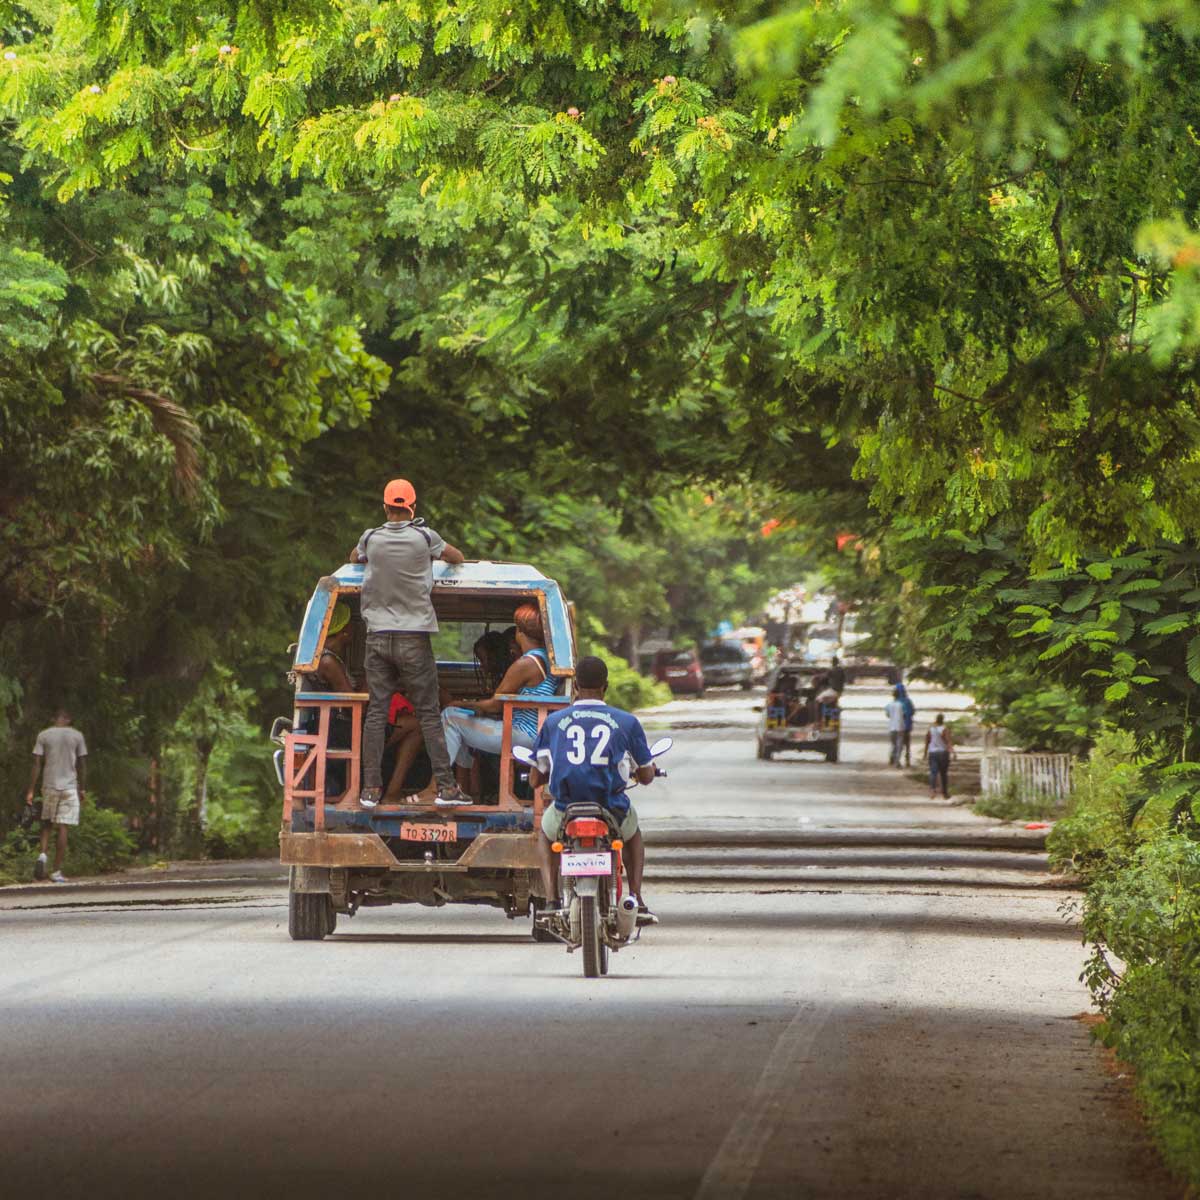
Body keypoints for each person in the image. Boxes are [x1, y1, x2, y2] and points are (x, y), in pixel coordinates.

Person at [351, 478, 470, 808]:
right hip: (413, 639)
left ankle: (371, 790)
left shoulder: (371, 538)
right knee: (429, 714)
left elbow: (354, 556)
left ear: (386, 507)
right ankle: (446, 789)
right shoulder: (424, 537)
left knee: (376, 713)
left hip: (376, 639)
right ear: (413, 507)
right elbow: (457, 557)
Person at [529, 655, 658, 922]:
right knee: (633, 836)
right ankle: (635, 897)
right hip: (611, 809)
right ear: (606, 686)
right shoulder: (626, 722)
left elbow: (534, 779)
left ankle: (552, 898)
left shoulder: (553, 723)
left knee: (544, 834)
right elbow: (645, 776)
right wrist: (645, 772)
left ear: (575, 686)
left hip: (566, 809)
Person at [441, 605, 559, 795]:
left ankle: (438, 787)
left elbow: (496, 704)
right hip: (536, 734)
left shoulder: (525, 664)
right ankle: (459, 790)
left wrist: (460, 704)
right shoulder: (547, 658)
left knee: (450, 716)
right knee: (459, 723)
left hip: (522, 736)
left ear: (520, 632)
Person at [24, 709, 87, 883]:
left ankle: (43, 855)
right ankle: (56, 871)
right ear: (68, 719)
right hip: (69, 787)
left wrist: (30, 789)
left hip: (49, 785)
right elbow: (82, 764)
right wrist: (82, 789)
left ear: (54, 719)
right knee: (63, 827)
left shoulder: (43, 735)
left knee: (46, 824)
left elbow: (36, 764)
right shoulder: (77, 736)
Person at [924, 713, 954, 799]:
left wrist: (925, 753)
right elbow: (948, 741)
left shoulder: (931, 729)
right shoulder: (945, 729)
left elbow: (927, 741)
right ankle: (944, 793)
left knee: (933, 773)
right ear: (943, 720)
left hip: (933, 753)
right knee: (943, 774)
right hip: (943, 753)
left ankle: (933, 791)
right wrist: (953, 752)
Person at [884, 685, 907, 768]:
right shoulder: (902, 705)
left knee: (893, 744)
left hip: (892, 727)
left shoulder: (889, 705)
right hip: (900, 727)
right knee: (899, 745)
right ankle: (897, 761)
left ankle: (891, 757)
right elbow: (904, 715)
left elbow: (887, 715)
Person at [895, 681, 916, 767]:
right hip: (907, 726)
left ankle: (897, 760)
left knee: (898, 744)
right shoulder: (908, 701)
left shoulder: (896, 702)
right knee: (907, 745)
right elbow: (913, 711)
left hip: (898, 726)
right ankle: (907, 761)